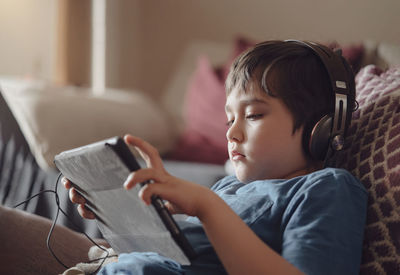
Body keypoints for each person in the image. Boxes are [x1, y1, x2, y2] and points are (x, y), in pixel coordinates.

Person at [0, 40, 367, 275]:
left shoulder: (326, 189)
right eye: (228, 118)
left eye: (253, 115)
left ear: (322, 130)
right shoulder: (228, 188)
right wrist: (122, 214)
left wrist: (207, 206)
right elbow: (167, 255)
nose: (231, 132)